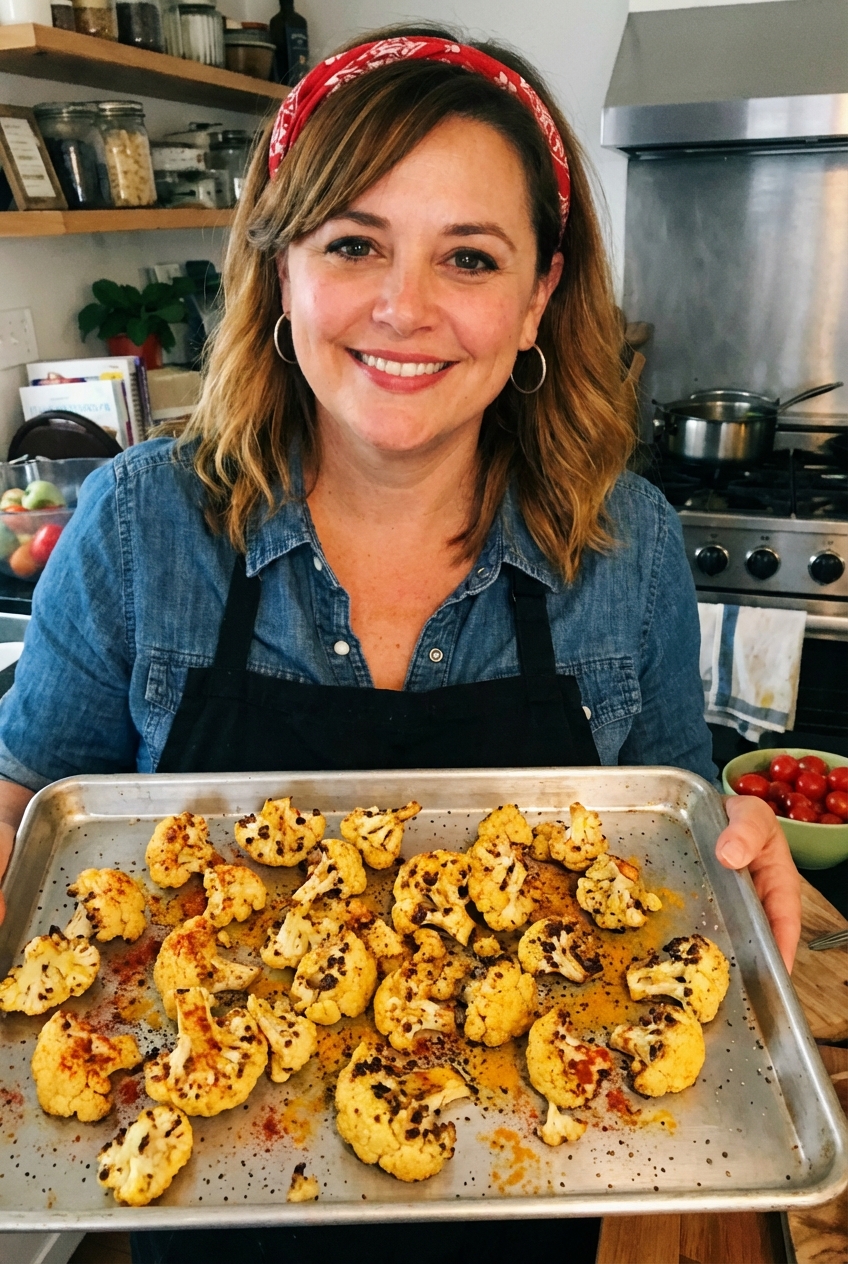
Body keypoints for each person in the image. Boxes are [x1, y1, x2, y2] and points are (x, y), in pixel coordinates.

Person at [0, 24, 799, 1263]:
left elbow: (672, 819)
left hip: (523, 1175)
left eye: (468, 257)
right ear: (277, 271)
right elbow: (26, 811)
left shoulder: (624, 539)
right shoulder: (138, 526)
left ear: (536, 296)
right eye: (354, 243)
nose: (402, 307)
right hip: (192, 1205)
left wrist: (737, 871)